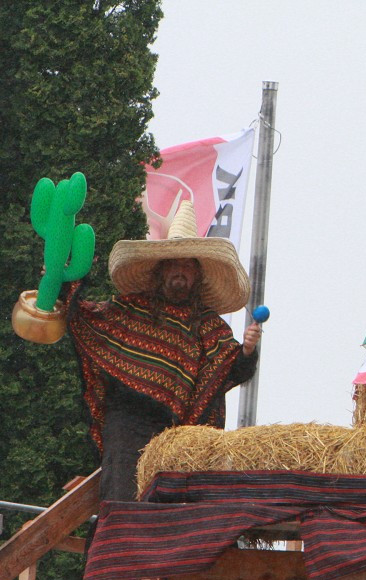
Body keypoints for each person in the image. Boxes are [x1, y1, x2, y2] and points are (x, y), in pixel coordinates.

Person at [67, 199, 260, 507]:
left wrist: (247, 351)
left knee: (168, 504)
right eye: (174, 264)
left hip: (176, 430)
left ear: (197, 276)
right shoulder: (130, 309)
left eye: (187, 266)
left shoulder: (207, 325)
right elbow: (85, 317)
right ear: (160, 270)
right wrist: (65, 288)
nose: (180, 272)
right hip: (127, 419)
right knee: (123, 495)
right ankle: (118, 551)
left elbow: (229, 368)